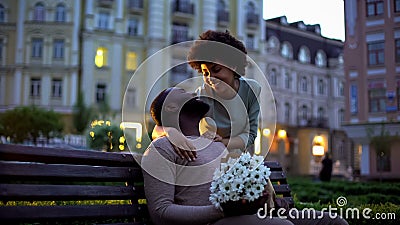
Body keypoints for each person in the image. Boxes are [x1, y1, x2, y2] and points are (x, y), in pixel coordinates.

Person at [142, 88, 349, 225]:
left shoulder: (214, 142)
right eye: (182, 91)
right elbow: (161, 213)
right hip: (215, 221)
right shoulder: (163, 148)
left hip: (252, 213)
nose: (191, 91)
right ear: (171, 107)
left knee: (334, 222)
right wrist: (222, 211)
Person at [152, 30, 261, 161]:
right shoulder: (202, 95)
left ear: (232, 66)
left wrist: (223, 142)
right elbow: (156, 129)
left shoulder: (252, 90)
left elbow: (250, 134)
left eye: (216, 70)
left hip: (238, 161)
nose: (210, 78)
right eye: (205, 73)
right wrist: (171, 132)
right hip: (208, 159)